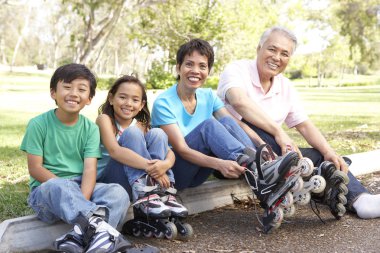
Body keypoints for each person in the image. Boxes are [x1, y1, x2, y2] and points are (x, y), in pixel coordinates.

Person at [217, 26, 380, 219]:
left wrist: (328, 151)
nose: (277, 57)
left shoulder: (285, 86)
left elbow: (303, 124)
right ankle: (315, 185)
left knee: (321, 156)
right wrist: (278, 131)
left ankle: (360, 200)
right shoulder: (237, 70)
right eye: (272, 49)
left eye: (284, 53)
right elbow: (239, 102)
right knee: (255, 127)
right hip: (235, 153)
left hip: (271, 155)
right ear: (259, 48)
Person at [151, 38, 306, 233]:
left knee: (226, 121)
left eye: (202, 66)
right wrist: (220, 164)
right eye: (189, 64)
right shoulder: (163, 102)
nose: (195, 71)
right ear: (178, 68)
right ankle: (261, 169)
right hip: (176, 172)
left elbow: (234, 124)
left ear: (208, 71)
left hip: (199, 172)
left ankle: (263, 167)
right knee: (209, 125)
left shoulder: (208, 95)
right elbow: (181, 149)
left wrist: (262, 148)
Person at [20, 63, 143, 253]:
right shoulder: (38, 124)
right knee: (58, 185)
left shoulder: (90, 129)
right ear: (53, 92)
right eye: (67, 87)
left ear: (89, 99)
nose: (74, 93)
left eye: (82, 89)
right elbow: (35, 168)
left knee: (118, 192)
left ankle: (81, 238)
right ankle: (104, 234)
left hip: (80, 189)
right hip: (47, 193)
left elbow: (89, 169)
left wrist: (81, 200)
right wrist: (74, 195)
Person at [96, 75, 188, 238]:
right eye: (122, 97)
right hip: (111, 180)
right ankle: (146, 194)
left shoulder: (141, 126)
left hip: (141, 179)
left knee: (158, 133)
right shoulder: (105, 120)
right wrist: (153, 168)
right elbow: (114, 151)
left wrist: (164, 166)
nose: (128, 104)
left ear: (141, 105)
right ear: (111, 98)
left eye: (135, 100)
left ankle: (164, 194)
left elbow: (170, 153)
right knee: (132, 133)